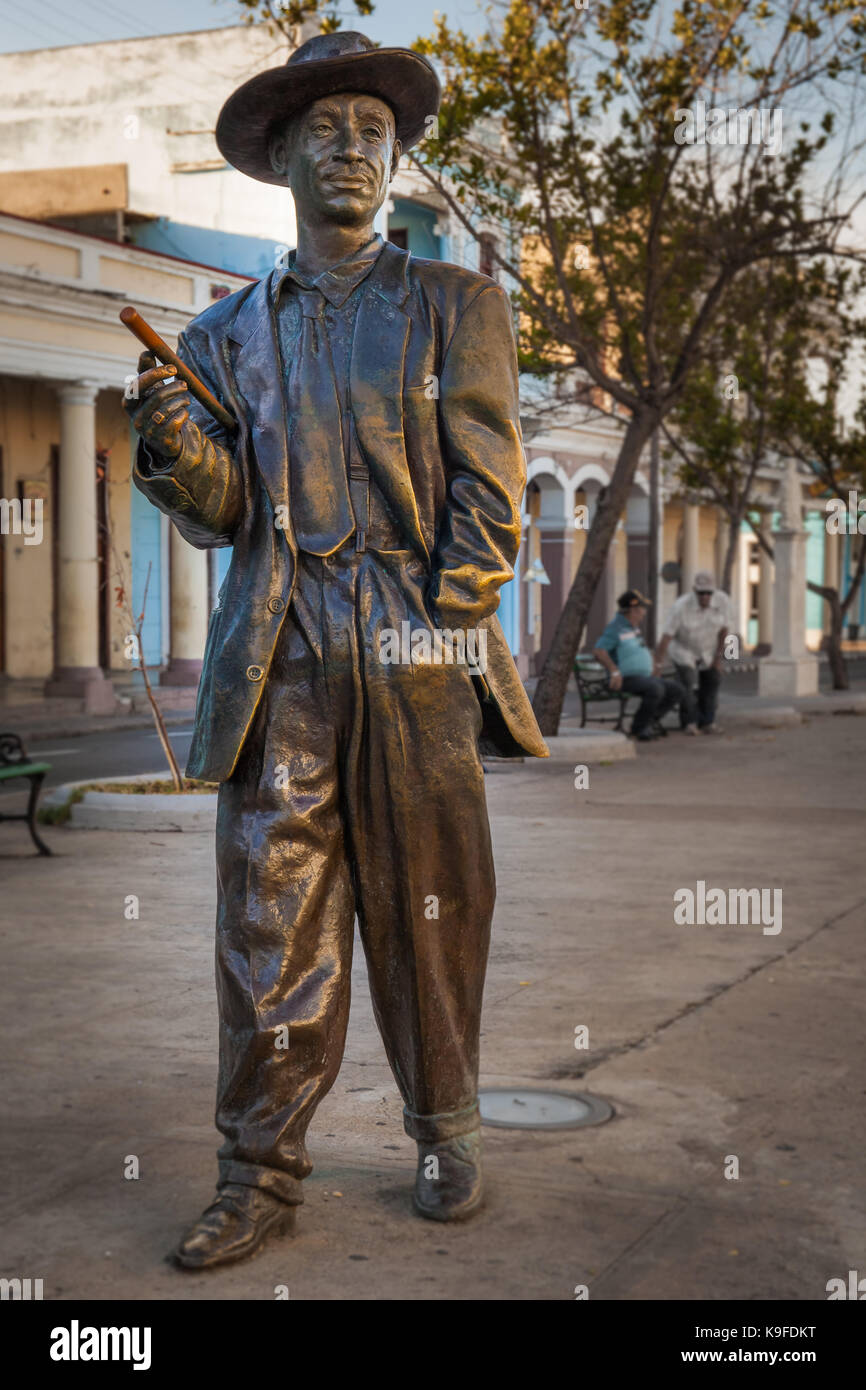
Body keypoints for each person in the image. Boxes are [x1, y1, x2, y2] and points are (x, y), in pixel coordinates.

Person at [125, 30, 548, 1270]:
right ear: (280, 159)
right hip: (282, 653)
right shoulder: (222, 335)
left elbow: (491, 493)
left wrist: (442, 621)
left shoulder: (458, 306)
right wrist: (170, 440)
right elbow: (218, 514)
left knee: (431, 906)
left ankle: (445, 1127)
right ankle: (256, 1170)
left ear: (396, 160)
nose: (352, 149)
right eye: (326, 131)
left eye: (372, 130)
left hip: (412, 653)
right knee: (270, 917)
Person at [593, 590, 688, 741]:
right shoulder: (615, 628)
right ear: (631, 610)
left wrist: (655, 665)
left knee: (677, 690)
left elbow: (640, 650)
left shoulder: (633, 628)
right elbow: (599, 650)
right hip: (625, 678)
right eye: (640, 610)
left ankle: (649, 721)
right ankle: (639, 728)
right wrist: (614, 671)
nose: (643, 614)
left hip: (643, 677)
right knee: (655, 689)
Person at [654, 570, 731, 734]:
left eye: (708, 593)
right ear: (695, 591)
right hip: (684, 649)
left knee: (713, 679)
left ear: (713, 592)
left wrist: (719, 659)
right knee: (688, 682)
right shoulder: (680, 606)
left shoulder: (723, 601)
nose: (705, 597)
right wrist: (658, 664)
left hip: (708, 650)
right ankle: (690, 722)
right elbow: (666, 637)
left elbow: (725, 631)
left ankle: (707, 721)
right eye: (701, 593)